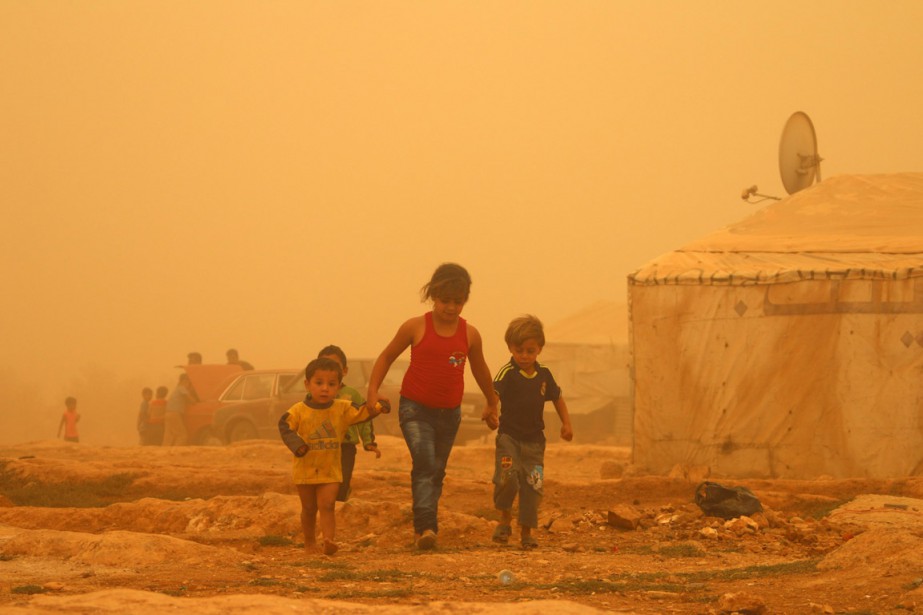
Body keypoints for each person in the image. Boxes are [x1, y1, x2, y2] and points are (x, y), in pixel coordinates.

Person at [366, 263, 499, 550]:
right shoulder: (415, 327)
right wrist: (373, 391)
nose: (451, 308)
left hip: (449, 414)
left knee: (436, 470)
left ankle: (425, 526)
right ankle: (426, 529)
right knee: (425, 464)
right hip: (415, 409)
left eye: (457, 302)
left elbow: (481, 370)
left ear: (465, 300)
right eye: (445, 300)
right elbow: (386, 357)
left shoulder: (470, 334)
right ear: (433, 296)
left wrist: (492, 401)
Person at [278, 357, 389, 556]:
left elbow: (362, 412)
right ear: (307, 384)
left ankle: (329, 541)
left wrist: (379, 406)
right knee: (309, 508)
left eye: (331, 384)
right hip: (305, 470)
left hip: (331, 469)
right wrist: (298, 446)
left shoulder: (342, 408)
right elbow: (285, 426)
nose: (324, 389)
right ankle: (310, 542)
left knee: (327, 505)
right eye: (319, 383)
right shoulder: (298, 411)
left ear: (338, 387)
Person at [485, 315, 573, 550]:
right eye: (519, 350)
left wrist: (566, 423)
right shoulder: (508, 372)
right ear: (510, 348)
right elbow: (494, 392)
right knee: (508, 477)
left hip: (535, 442)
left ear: (539, 349)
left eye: (530, 350)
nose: (524, 355)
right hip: (509, 438)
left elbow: (557, 398)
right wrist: (490, 409)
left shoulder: (544, 374)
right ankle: (504, 519)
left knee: (533, 486)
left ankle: (527, 531)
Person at [316, 345, 381, 502]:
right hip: (320, 447)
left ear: (344, 371)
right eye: (324, 364)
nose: (329, 369)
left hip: (346, 447)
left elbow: (364, 418)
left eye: (334, 365)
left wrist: (369, 442)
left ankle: (340, 503)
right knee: (322, 483)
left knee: (342, 482)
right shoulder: (313, 395)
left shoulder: (352, 394)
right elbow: (304, 418)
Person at [162, 374, 197, 446]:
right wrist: (195, 402)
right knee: (182, 435)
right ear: (184, 381)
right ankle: (177, 452)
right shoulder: (182, 388)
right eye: (189, 382)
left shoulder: (177, 389)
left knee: (169, 436)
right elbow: (189, 398)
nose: (189, 384)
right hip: (174, 413)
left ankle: (165, 452)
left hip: (168, 413)